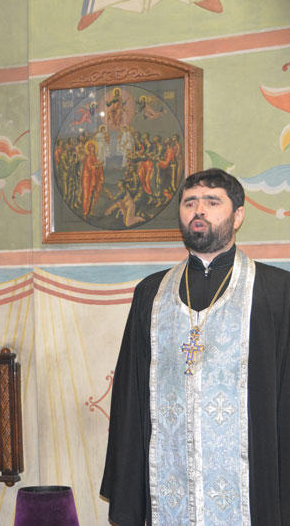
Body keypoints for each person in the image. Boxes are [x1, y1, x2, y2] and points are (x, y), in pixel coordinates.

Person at [101, 168, 290, 524]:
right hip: (170, 480)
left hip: (254, 487)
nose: (198, 210)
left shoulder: (277, 292)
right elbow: (130, 397)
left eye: (212, 201)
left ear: (238, 216)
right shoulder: (151, 294)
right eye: (190, 203)